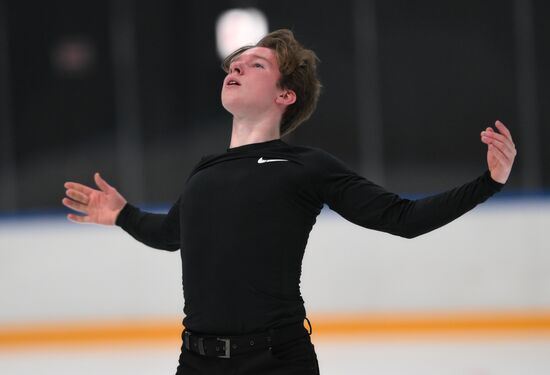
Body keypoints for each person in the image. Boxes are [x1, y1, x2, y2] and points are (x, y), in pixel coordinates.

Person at [62, 29, 516, 375]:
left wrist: (488, 182)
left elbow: (403, 218)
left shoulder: (305, 165)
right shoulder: (204, 170)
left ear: (285, 95)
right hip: (196, 361)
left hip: (275, 362)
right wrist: (122, 214)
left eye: (254, 64)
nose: (235, 68)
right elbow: (171, 235)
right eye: (234, 64)